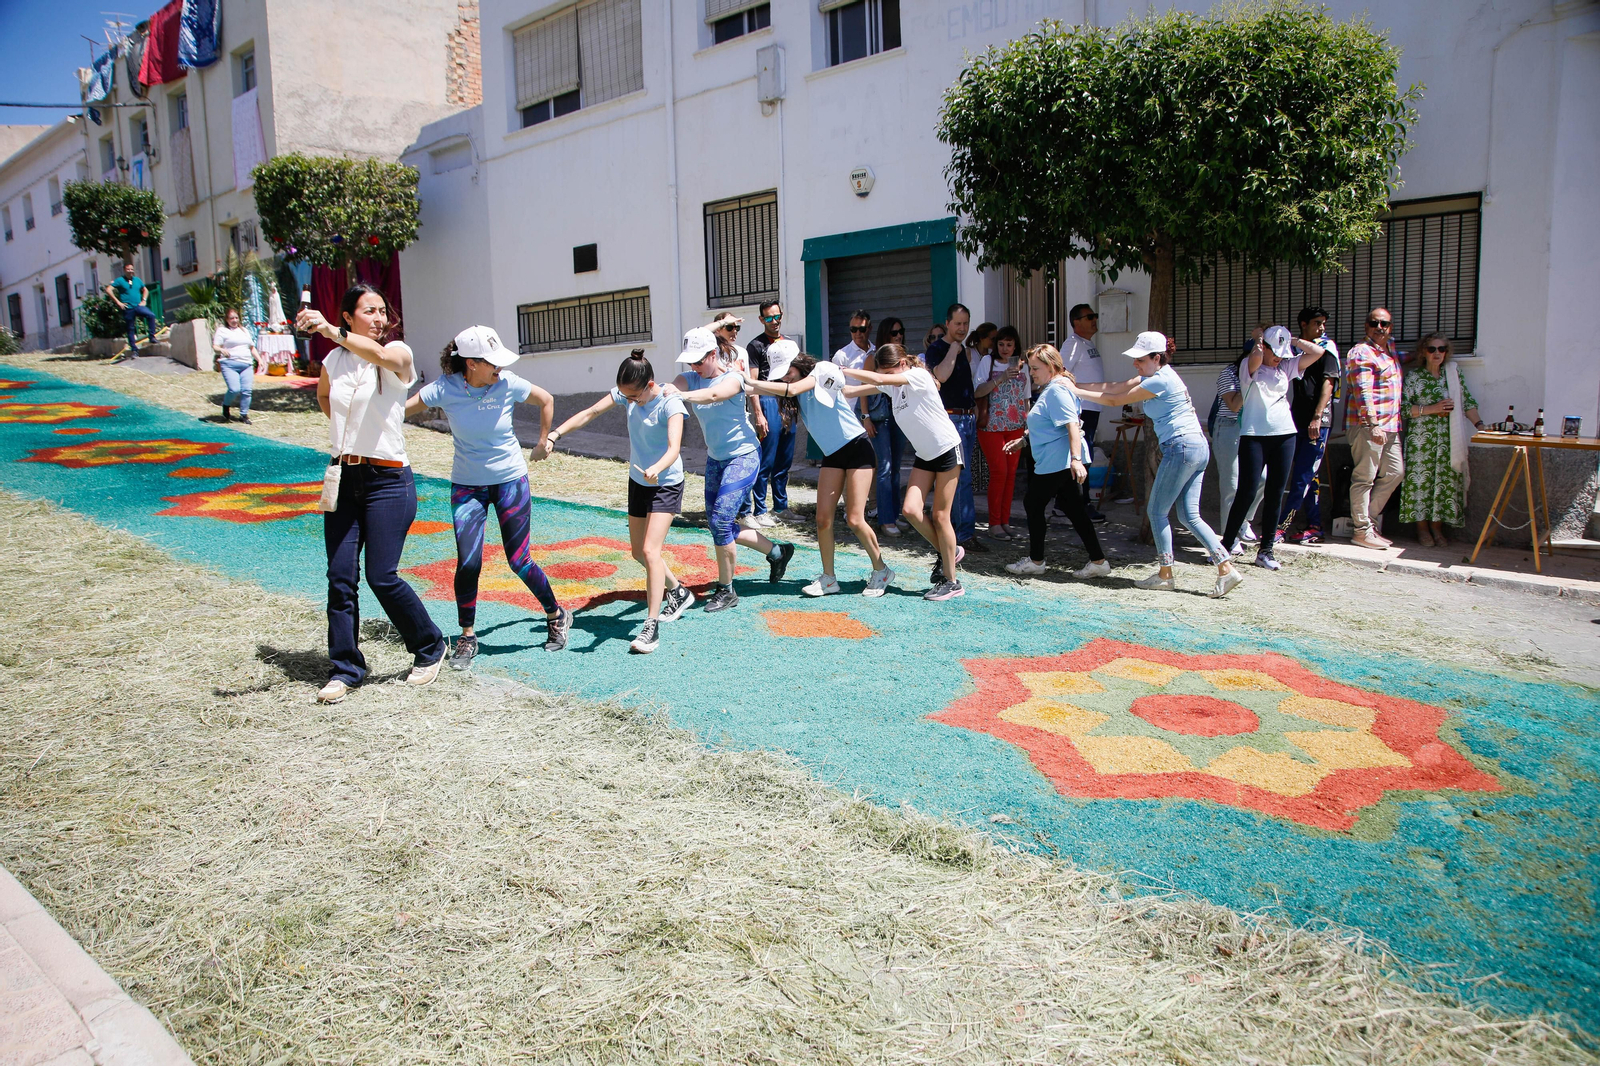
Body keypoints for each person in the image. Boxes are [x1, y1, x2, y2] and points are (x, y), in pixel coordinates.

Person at [298, 284, 448, 703]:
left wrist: (328, 328)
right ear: (350, 316)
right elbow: (325, 397)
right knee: (340, 578)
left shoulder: (398, 352)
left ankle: (430, 646)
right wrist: (353, 439)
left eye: (382, 311)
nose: (380, 318)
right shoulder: (333, 359)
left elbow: (381, 356)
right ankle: (345, 667)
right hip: (346, 479)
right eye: (369, 311)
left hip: (389, 482)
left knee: (383, 575)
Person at [402, 324, 572, 670]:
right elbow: (401, 411)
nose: (500, 368)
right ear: (471, 363)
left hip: (510, 480)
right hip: (467, 486)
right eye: (492, 362)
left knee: (519, 560)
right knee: (468, 562)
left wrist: (544, 441)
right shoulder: (444, 389)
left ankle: (556, 615)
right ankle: (467, 635)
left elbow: (546, 400)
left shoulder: (508, 383)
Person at [1073, 332, 1243, 597]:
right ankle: (1225, 567)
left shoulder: (1160, 380)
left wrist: (1074, 390)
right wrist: (1075, 383)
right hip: (1196, 447)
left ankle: (1166, 574)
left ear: (1157, 358)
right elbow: (1116, 386)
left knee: (1156, 512)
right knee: (1189, 515)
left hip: (1182, 448)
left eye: (1140, 360)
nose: (1135, 364)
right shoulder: (1157, 376)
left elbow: (1115, 400)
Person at [549, 350, 696, 653]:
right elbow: (590, 412)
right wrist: (556, 433)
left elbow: (673, 447)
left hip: (665, 482)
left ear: (649, 385)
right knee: (637, 552)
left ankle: (650, 627)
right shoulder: (627, 394)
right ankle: (679, 592)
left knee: (650, 550)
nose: (628, 401)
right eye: (624, 396)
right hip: (638, 481)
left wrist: (658, 467)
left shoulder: (671, 403)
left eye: (633, 397)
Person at [746, 346, 894, 597]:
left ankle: (882, 570)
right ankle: (829, 579)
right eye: (782, 375)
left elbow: (797, 389)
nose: (786, 378)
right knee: (823, 519)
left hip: (857, 447)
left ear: (798, 361)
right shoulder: (792, 387)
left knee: (855, 519)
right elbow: (846, 391)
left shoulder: (822, 369)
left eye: (788, 372)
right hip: (833, 454)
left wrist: (750, 383)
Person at [667, 326, 796, 612]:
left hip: (744, 456)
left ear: (713, 354)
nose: (694, 366)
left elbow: (714, 395)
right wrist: (665, 390)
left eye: (699, 360)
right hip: (716, 459)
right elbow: (675, 385)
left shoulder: (735, 378)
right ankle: (777, 552)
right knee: (719, 524)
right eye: (690, 361)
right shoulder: (689, 378)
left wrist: (680, 397)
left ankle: (726, 590)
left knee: (722, 521)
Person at [840, 344, 966, 601]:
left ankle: (952, 582)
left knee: (941, 516)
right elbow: (855, 389)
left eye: (889, 372)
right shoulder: (893, 385)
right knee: (910, 510)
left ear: (901, 365)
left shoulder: (918, 376)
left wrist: (844, 368)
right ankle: (948, 551)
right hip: (925, 455)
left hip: (946, 450)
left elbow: (877, 379)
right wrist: (832, 383)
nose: (887, 377)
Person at [1221, 325, 1332, 570]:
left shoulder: (1286, 367)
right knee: (1246, 492)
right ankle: (1225, 547)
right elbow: (1257, 357)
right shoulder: (1250, 366)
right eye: (1275, 351)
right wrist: (1260, 340)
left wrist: (1292, 340)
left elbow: (1317, 353)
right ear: (1265, 347)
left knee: (1275, 493)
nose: (1278, 357)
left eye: (1283, 351)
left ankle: (1266, 550)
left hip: (1285, 435)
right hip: (1254, 435)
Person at [1002, 344, 1112, 579]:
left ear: (1051, 366)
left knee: (1033, 503)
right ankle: (1098, 561)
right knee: (1074, 510)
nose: (1031, 373)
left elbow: (1071, 425)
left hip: (1058, 462)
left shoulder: (1056, 391)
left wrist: (1076, 460)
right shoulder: (1054, 388)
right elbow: (1049, 425)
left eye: (1035, 368)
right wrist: (1023, 441)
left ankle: (1036, 560)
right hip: (1057, 461)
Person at [1399, 333, 1484, 546]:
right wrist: (1432, 409)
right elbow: (1402, 409)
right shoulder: (1414, 378)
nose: (1437, 353)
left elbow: (1467, 401)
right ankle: (1422, 530)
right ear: (1423, 352)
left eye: (1441, 349)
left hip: (1448, 441)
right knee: (1421, 484)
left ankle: (1438, 529)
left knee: (1443, 484)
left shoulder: (1453, 375)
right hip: (1421, 443)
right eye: (1432, 349)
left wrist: (1481, 427)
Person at [923, 303, 988, 554]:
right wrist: (953, 349)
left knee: (963, 478)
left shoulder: (967, 351)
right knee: (960, 478)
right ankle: (963, 535)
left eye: (966, 323)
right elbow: (941, 376)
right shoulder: (938, 349)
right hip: (950, 420)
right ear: (947, 323)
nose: (962, 328)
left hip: (968, 418)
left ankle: (958, 530)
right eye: (958, 323)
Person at [1277, 306, 1340, 545]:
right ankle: (1314, 526)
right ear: (1303, 324)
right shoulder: (1294, 350)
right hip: (1296, 419)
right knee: (1308, 477)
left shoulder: (1327, 349)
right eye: (1316, 323)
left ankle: (1281, 528)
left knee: (1302, 477)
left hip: (1318, 422)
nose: (1321, 327)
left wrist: (1317, 416)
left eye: (1323, 323)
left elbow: (1328, 385)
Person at [1345, 308, 1405, 550]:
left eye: (1385, 324)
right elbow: (1363, 392)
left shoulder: (1388, 350)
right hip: (1370, 426)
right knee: (1364, 478)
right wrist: (1373, 424)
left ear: (1390, 327)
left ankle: (1365, 520)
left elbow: (1402, 360)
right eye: (1374, 323)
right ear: (1366, 325)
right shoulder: (1361, 352)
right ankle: (1361, 531)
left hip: (1391, 426)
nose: (1379, 328)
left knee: (1395, 472)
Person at [738, 305, 794, 528]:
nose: (774, 321)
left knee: (785, 458)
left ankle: (781, 507)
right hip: (767, 399)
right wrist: (759, 414)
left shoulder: (788, 343)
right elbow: (753, 383)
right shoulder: (756, 345)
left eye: (777, 316)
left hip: (788, 400)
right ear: (762, 319)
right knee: (766, 460)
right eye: (769, 317)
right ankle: (760, 510)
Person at [1210, 324, 1267, 541]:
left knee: (1261, 478)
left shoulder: (1266, 375)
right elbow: (1234, 405)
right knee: (1231, 486)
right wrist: (1249, 381)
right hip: (1229, 427)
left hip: (1253, 429)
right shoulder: (1228, 374)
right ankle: (1229, 538)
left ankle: (1242, 520)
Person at [976, 325, 1028, 540]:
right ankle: (994, 523)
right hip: (992, 427)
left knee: (1010, 475)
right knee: (999, 473)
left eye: (1009, 344)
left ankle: (1005, 521)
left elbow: (1026, 398)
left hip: (1016, 426)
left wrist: (1028, 424)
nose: (1005, 349)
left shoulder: (1022, 365)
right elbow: (977, 391)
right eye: (1001, 344)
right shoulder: (988, 362)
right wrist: (1001, 377)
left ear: (1015, 345)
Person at [859, 316, 909, 536]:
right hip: (879, 418)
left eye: (901, 332)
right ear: (884, 335)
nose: (898, 336)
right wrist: (865, 416)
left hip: (900, 416)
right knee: (885, 467)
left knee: (896, 468)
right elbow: (864, 389)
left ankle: (894, 516)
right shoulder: (874, 358)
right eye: (894, 333)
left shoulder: (902, 360)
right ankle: (885, 519)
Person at [1058, 304, 1107, 521]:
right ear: (1076, 322)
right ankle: (1080, 504)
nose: (1094, 319)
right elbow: (1060, 373)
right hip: (1081, 409)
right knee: (1082, 458)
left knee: (1084, 457)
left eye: (1095, 316)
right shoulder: (1072, 345)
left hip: (1091, 407)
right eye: (1089, 317)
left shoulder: (1086, 344)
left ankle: (1063, 503)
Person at [211, 308, 258, 423]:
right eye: (231, 318)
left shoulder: (244, 331)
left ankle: (244, 415)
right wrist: (222, 350)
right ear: (227, 319)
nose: (234, 320)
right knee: (234, 389)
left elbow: (251, 347)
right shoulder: (222, 331)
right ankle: (226, 405)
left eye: (236, 318)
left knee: (247, 390)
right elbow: (215, 346)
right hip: (229, 364)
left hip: (246, 364)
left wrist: (259, 359)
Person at [105, 261, 161, 355]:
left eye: (131, 269)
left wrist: (144, 300)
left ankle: (152, 337)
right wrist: (118, 302)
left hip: (138, 306)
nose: (130, 271)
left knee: (151, 315)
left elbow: (145, 290)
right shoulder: (120, 280)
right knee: (130, 329)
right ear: (124, 270)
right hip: (128, 308)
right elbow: (108, 289)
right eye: (128, 269)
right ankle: (134, 350)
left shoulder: (137, 280)